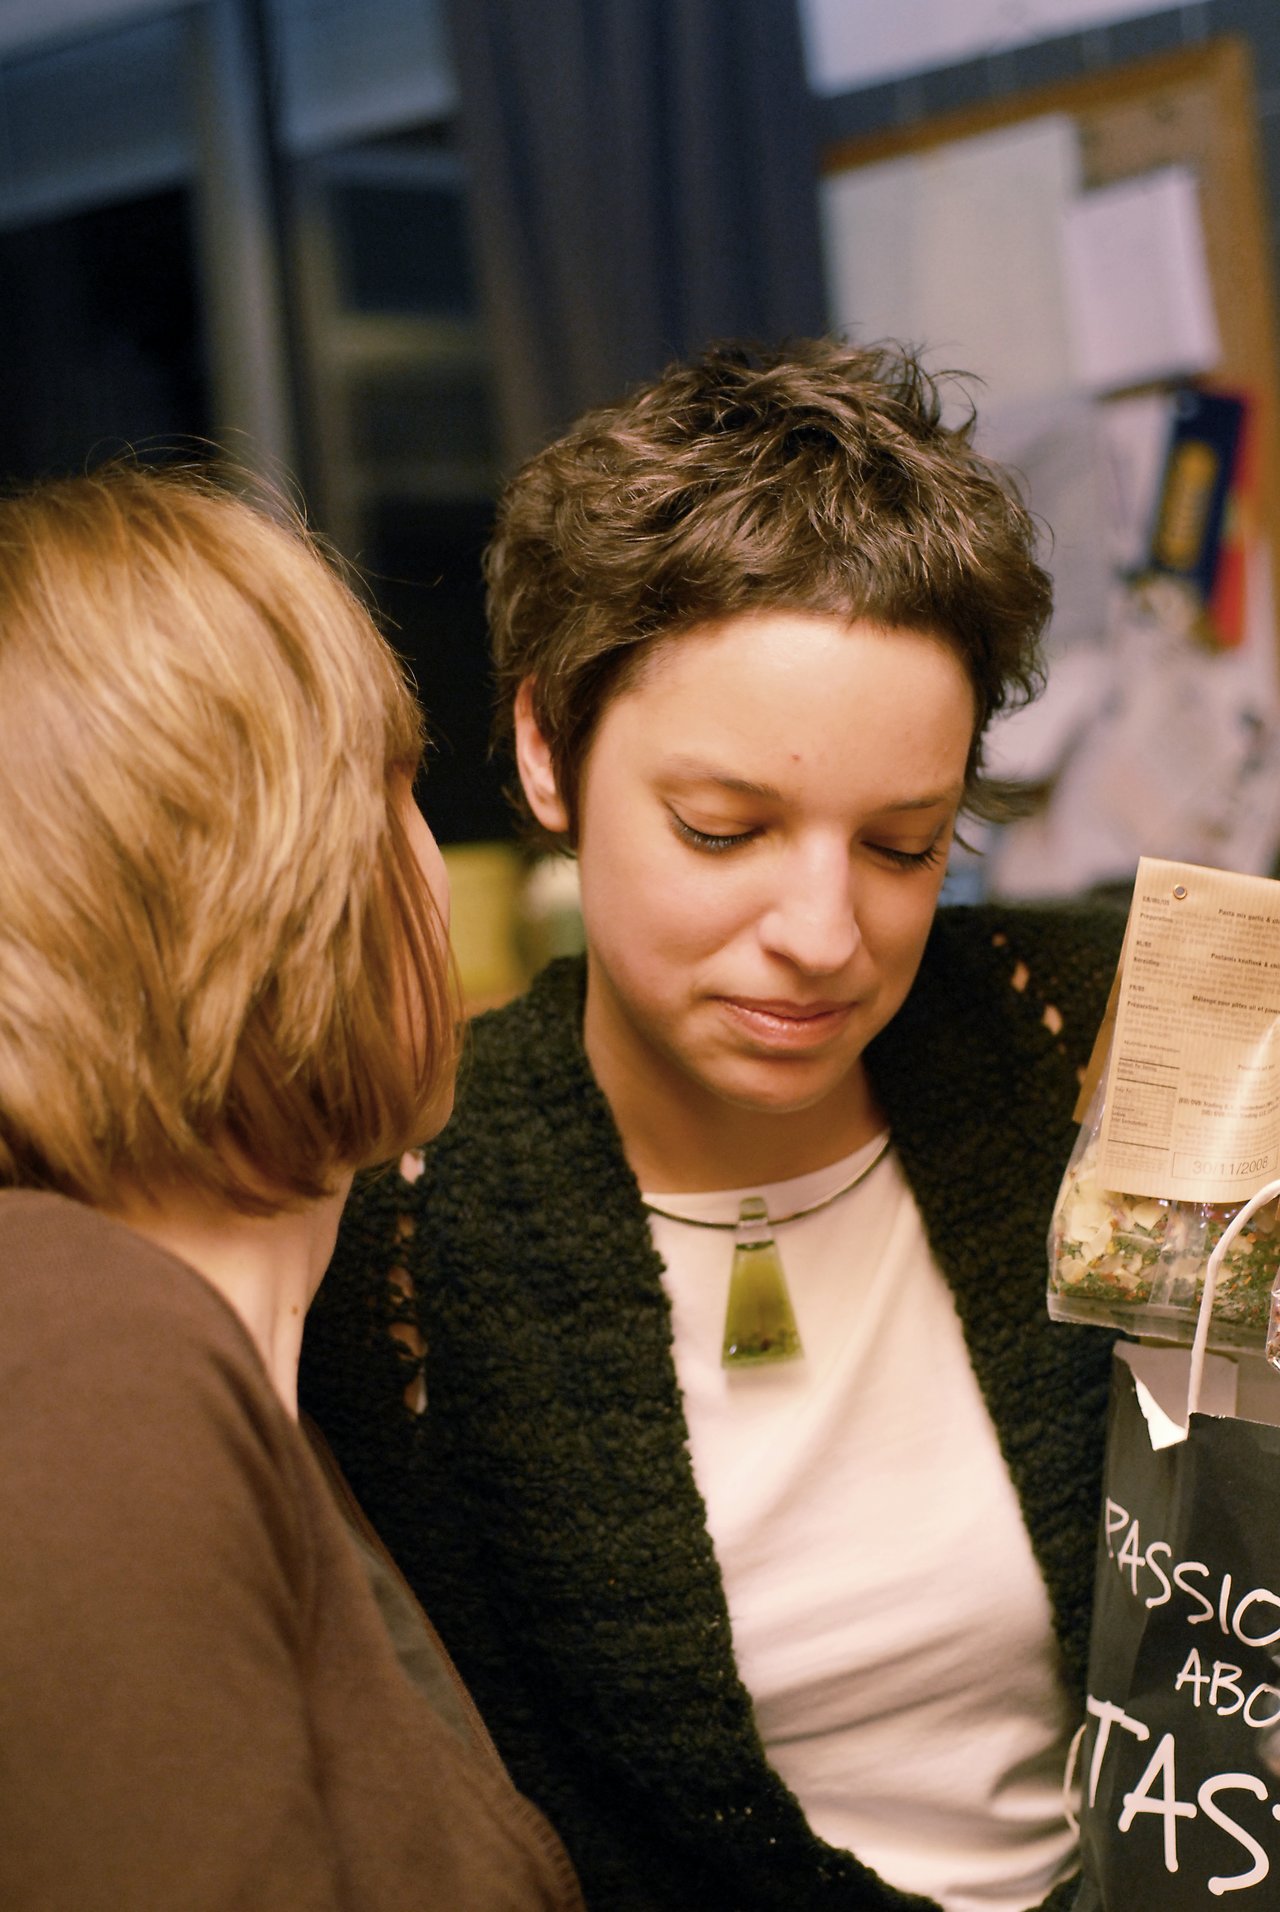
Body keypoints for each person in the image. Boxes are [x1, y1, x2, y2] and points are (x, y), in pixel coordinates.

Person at [303, 340, 1123, 1912]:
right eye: (722, 830)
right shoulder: (391, 1241)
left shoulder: (1098, 1042)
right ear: (546, 750)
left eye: (903, 845)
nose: (822, 935)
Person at [0, 467, 582, 1911]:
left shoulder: (215, 1365)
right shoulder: (85, 1359)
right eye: (396, 793)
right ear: (271, 880)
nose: (432, 867)